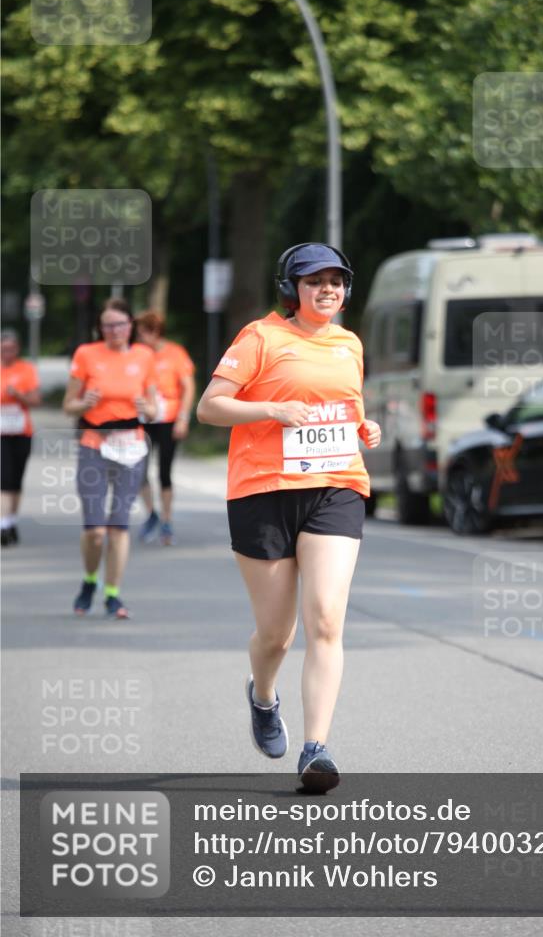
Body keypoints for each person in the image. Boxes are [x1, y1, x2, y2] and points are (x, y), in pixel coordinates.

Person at [197, 242, 381, 793]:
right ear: (292, 288)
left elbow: (348, 408)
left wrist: (365, 430)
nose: (327, 289)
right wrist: (271, 410)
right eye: (314, 280)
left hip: (335, 488)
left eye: (336, 281)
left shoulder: (350, 343)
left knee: (326, 618)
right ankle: (262, 695)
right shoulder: (260, 338)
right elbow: (210, 406)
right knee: (277, 634)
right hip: (263, 491)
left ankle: (316, 749)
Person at [62, 299, 157, 619]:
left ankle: (113, 593)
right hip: (95, 444)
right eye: (108, 325)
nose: (114, 330)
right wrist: (83, 402)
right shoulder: (86, 354)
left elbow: (155, 409)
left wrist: (148, 408)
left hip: (131, 447)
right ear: (100, 329)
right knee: (95, 530)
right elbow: (68, 405)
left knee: (118, 527)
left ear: (131, 326)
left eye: (120, 324)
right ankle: (90, 580)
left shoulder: (145, 356)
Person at [134, 311, 195, 546]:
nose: (139, 338)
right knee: (138, 471)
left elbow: (188, 387)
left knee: (164, 472)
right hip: (143, 420)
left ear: (154, 331)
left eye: (142, 333)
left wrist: (183, 418)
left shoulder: (175, 353)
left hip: (168, 418)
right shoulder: (137, 355)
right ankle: (151, 515)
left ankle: (167, 520)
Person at [1, 330, 41, 546]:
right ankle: (3, 525)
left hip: (21, 432)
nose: (8, 353)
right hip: (1, 434)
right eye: (4, 348)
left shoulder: (26, 369)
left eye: (12, 349)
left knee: (16, 480)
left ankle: (11, 520)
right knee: (4, 478)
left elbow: (36, 400)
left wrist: (19, 395)